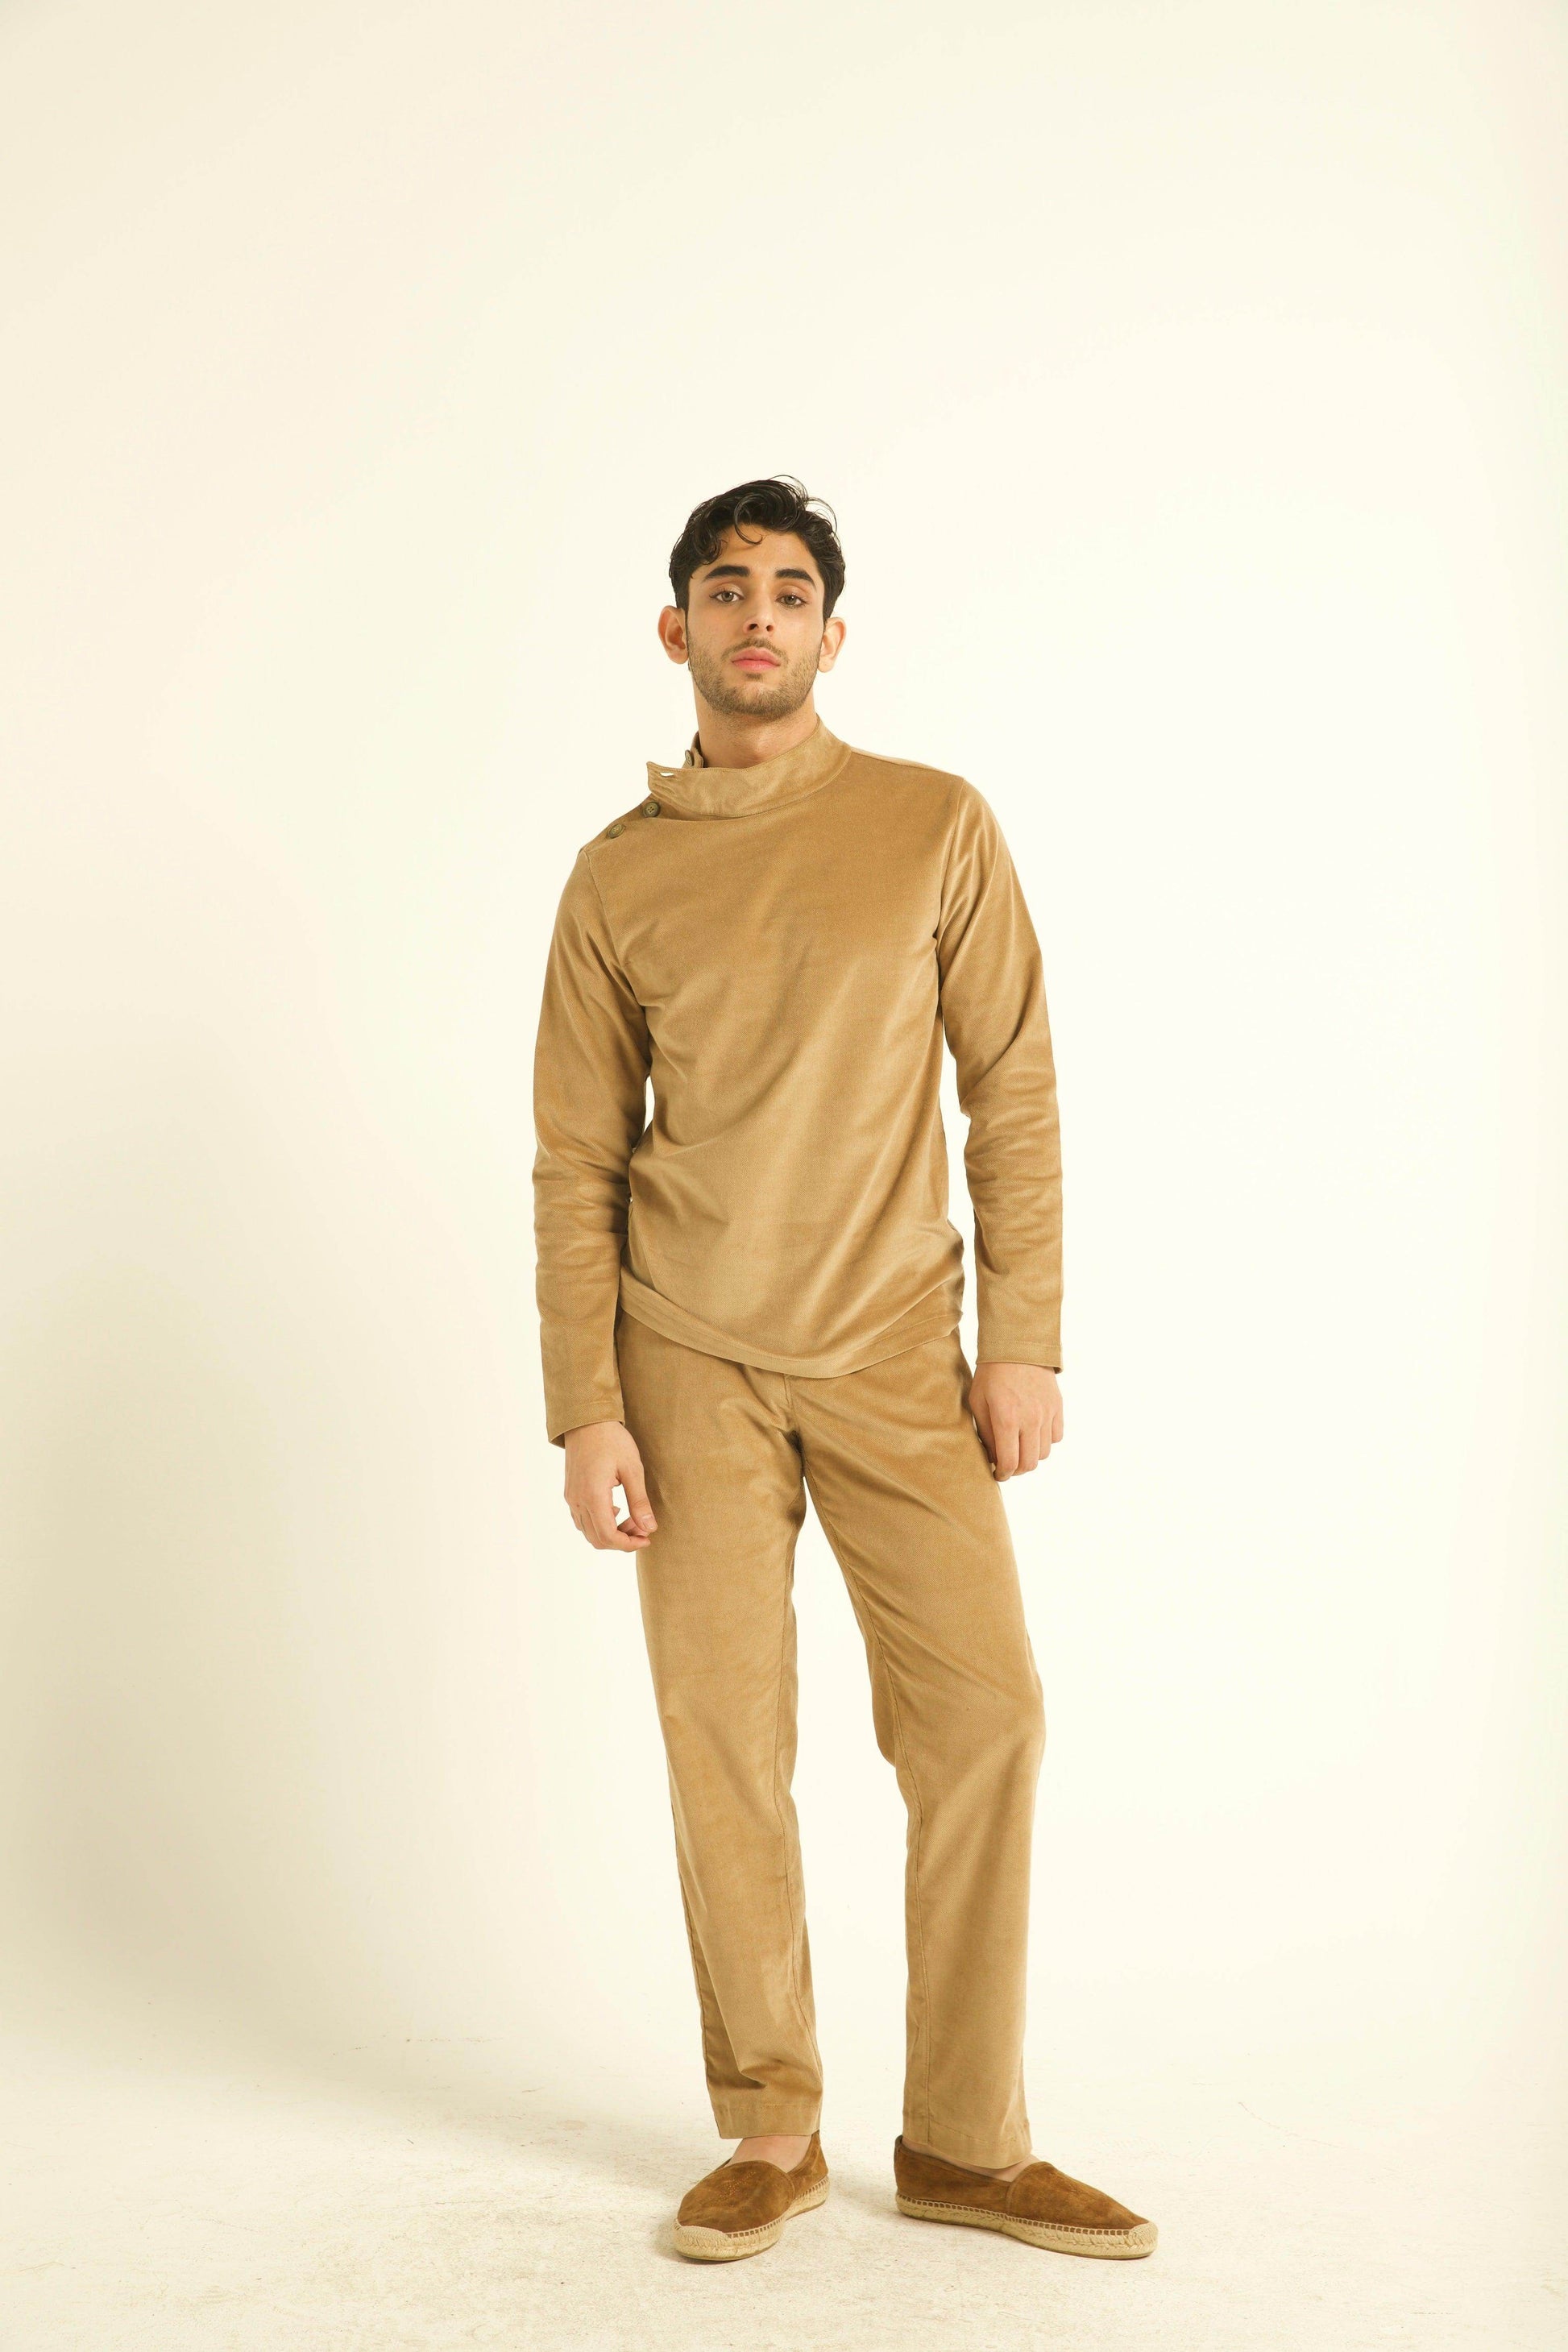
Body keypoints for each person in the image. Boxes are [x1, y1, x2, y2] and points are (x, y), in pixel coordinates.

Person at [531, 475, 1156, 2264]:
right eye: (726, 588)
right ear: (677, 629)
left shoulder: (931, 823)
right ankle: (771, 2123)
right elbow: (575, 1156)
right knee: (725, 1735)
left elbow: (1011, 1084)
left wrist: (1020, 1337)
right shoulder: (617, 875)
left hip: (896, 1348)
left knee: (986, 1715)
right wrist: (587, 1404)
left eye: (790, 590)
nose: (758, 616)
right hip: (685, 1355)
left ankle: (964, 2140)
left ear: (831, 632)